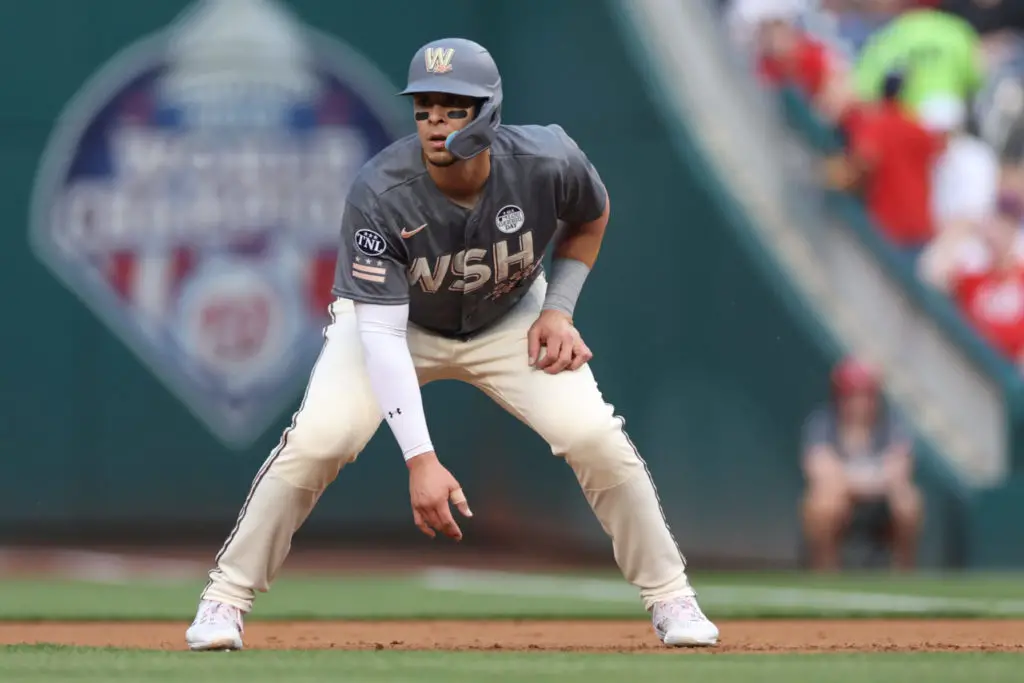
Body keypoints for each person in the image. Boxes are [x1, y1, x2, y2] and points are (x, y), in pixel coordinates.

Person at [184, 38, 719, 651]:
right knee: (318, 441)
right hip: (395, 325)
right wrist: (420, 458)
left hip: (510, 316)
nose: (435, 119)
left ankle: (671, 596)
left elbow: (590, 215)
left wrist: (560, 310)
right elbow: (382, 338)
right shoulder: (381, 190)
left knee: (594, 436)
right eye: (424, 106)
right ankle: (224, 600)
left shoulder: (547, 158)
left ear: (488, 111)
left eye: (453, 105)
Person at [801, 358, 923, 571]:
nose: (860, 403)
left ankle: (904, 573)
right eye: (853, 395)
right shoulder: (822, 424)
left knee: (908, 500)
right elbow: (820, 470)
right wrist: (865, 481)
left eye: (867, 395)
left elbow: (900, 469)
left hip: (881, 505)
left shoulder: (892, 424)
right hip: (843, 506)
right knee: (822, 501)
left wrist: (852, 481)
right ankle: (825, 572)